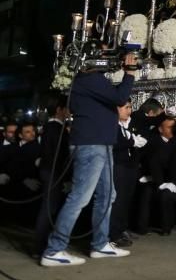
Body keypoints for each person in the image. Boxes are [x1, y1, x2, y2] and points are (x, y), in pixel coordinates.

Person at [41, 53, 137, 267]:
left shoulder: (91, 81)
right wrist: (129, 72)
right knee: (79, 198)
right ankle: (54, 249)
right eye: (102, 55)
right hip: (91, 144)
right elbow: (121, 97)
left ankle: (100, 244)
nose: (107, 59)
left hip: (100, 142)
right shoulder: (90, 79)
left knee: (107, 194)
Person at [34, 98, 73, 256]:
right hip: (53, 173)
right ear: (59, 109)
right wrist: (64, 177)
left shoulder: (49, 127)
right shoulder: (57, 128)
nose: (69, 112)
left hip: (49, 171)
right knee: (48, 209)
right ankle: (40, 246)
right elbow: (60, 155)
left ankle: (42, 245)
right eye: (66, 109)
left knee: (50, 207)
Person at [109, 102, 146, 248]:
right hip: (117, 165)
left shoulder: (129, 125)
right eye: (126, 107)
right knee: (117, 201)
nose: (129, 110)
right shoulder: (112, 125)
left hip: (129, 165)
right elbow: (117, 143)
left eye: (130, 107)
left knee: (126, 199)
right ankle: (113, 234)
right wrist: (132, 142)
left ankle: (121, 229)